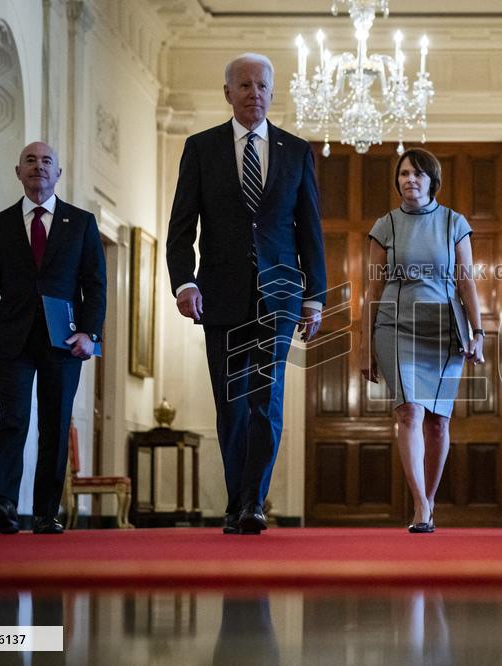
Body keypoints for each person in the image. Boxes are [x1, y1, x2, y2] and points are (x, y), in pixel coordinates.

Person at [166, 53, 326, 535]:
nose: (254, 93)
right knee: (231, 404)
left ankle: (253, 503)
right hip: (221, 295)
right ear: (228, 93)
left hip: (278, 296)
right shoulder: (201, 148)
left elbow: (309, 231)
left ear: (272, 93)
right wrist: (185, 281)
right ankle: (238, 501)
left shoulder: (296, 152)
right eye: (244, 85)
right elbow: (181, 226)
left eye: (262, 86)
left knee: (266, 401)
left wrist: (314, 295)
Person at [0, 141, 107, 535]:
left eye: (47, 161)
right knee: (12, 420)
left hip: (62, 342)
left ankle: (46, 512)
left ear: (58, 174)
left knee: (54, 425)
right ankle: (3, 502)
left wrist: (89, 332)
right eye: (30, 161)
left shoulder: (80, 223)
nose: (38, 167)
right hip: (10, 340)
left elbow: (95, 284)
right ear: (18, 172)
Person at [361, 148, 485, 533]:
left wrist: (478, 333)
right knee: (409, 411)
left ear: (433, 181)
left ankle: (428, 503)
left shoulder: (453, 223)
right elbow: (372, 289)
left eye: (417, 174)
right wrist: (365, 347)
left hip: (446, 330)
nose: (409, 180)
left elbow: (466, 282)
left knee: (438, 423)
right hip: (396, 326)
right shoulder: (386, 226)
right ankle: (419, 506)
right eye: (403, 174)